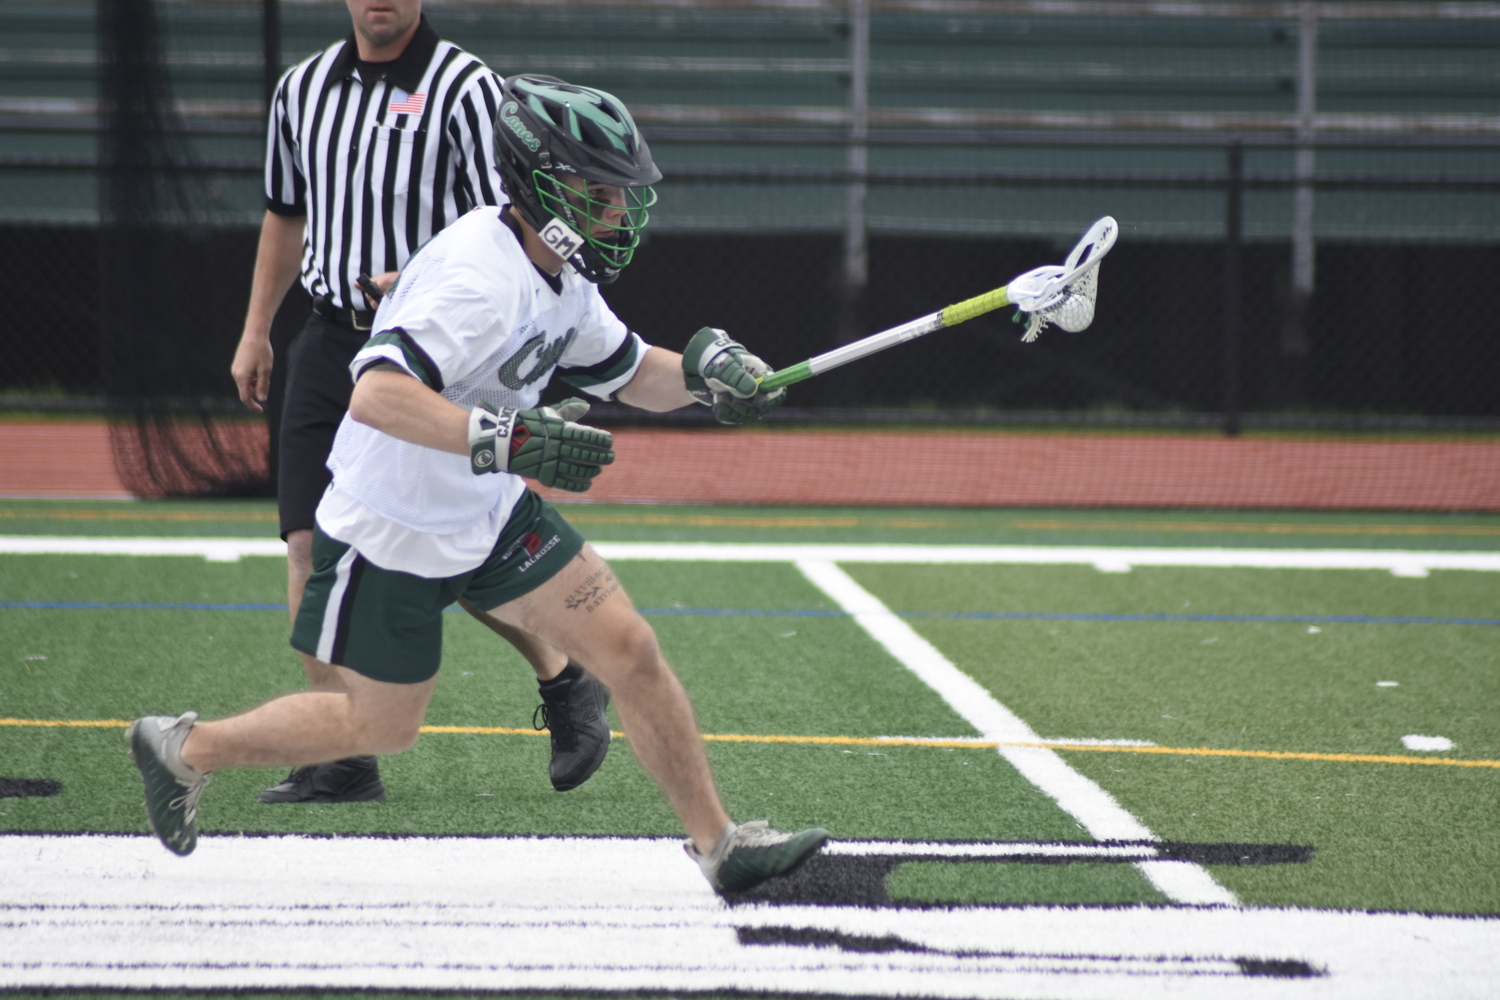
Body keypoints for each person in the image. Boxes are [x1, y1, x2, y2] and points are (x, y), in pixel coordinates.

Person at [130, 75, 826, 894]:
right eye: (599, 193)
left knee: (628, 649)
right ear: (543, 185)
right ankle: (183, 751)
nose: (617, 211)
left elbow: (632, 371)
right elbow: (376, 392)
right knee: (379, 727)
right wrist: (505, 437)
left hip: (489, 510)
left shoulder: (560, 274)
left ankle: (720, 846)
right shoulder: (478, 277)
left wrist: (711, 379)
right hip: (394, 523)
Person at [229, 0, 609, 804]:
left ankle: (566, 678)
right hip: (330, 340)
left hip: (436, 352)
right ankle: (343, 748)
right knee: (307, 538)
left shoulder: (469, 88)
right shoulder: (300, 90)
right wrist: (257, 328)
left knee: (454, 546)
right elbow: (284, 215)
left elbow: (512, 218)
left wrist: (417, 282)